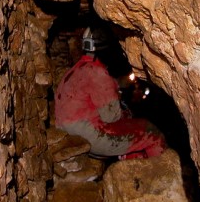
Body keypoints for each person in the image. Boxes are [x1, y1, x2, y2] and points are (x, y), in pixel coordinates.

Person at [54, 26, 166, 160]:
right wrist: (124, 110)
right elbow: (111, 117)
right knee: (151, 133)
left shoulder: (76, 69)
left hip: (68, 132)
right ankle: (158, 175)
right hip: (89, 134)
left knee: (131, 134)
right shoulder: (98, 73)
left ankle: (132, 173)